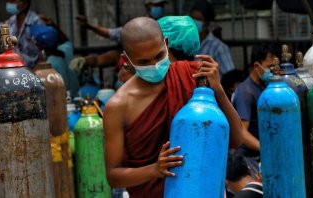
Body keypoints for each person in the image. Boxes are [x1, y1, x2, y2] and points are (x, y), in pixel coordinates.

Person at [103, 16, 243, 197]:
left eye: (159, 56)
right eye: (144, 62)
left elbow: (235, 140)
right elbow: (113, 176)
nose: (154, 66)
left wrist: (218, 89)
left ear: (166, 44)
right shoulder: (118, 106)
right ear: (126, 59)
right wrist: (155, 169)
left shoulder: (191, 76)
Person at [231, 43, 279, 175]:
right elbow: (242, 132)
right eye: (270, 67)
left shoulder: (264, 87)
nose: (274, 71)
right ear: (257, 66)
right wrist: (265, 148)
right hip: (249, 159)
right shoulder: (246, 92)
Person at [0, 0, 44, 68]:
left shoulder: (37, 22)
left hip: (34, 72)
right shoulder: (11, 22)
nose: (10, 2)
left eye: (14, 0)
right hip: (15, 71)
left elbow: (46, 51)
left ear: (25, 4)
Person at [190, 0, 235, 77]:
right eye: (192, 18)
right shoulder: (186, 44)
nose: (194, 22)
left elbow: (231, 77)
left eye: (198, 19)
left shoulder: (218, 47)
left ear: (207, 23)